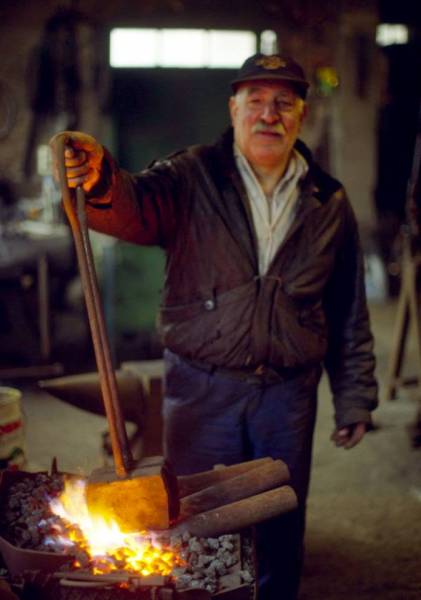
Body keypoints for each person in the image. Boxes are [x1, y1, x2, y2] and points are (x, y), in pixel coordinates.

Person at [50, 53, 378, 599]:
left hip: (288, 393)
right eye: (255, 102)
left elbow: (346, 306)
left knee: (278, 525)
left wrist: (355, 397)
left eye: (283, 103)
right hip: (203, 388)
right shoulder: (192, 174)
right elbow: (134, 204)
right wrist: (101, 176)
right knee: (195, 527)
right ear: (233, 109)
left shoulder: (329, 198)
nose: (268, 115)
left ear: (302, 115)